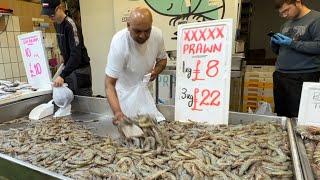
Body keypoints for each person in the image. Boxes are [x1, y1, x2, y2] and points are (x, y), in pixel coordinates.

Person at [105, 7, 167, 124]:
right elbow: (109, 84)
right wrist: (118, 112)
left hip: (146, 93)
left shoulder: (157, 35)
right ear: (128, 26)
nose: (143, 36)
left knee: (150, 128)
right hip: (124, 97)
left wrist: (156, 70)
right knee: (130, 130)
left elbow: (162, 59)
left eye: (147, 30)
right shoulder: (119, 42)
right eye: (137, 31)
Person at [271, 0, 320, 118]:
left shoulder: (316, 19)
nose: (284, 15)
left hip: (302, 76)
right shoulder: (286, 24)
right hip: (281, 76)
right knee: (282, 116)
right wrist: (275, 43)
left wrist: (292, 43)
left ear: (298, 2)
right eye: (281, 13)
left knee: (299, 117)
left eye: (286, 10)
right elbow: (280, 51)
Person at [41, 0, 92, 96]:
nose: (50, 17)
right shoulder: (56, 23)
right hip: (69, 68)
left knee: (83, 102)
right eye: (47, 14)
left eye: (52, 13)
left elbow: (76, 55)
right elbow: (61, 40)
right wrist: (61, 53)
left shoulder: (71, 26)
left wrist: (62, 75)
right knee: (70, 102)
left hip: (80, 71)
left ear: (59, 8)